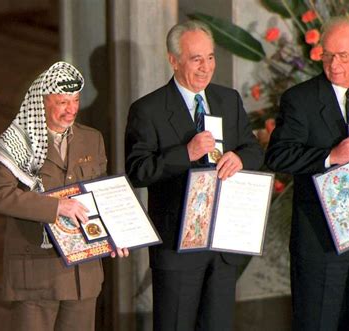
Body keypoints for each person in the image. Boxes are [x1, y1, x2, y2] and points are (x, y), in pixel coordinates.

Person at [265, 17, 349, 331]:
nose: (334, 64)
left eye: (343, 55)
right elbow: (278, 155)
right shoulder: (299, 100)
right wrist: (330, 156)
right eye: (327, 55)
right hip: (319, 240)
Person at [125, 21, 263, 331]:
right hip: (177, 249)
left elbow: (254, 150)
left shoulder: (228, 100)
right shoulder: (148, 110)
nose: (205, 67)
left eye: (210, 57)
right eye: (195, 58)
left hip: (224, 245)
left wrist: (239, 158)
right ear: (173, 60)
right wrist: (184, 153)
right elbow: (138, 171)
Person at [0, 61, 129, 331]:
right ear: (42, 102)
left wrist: (116, 233)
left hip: (82, 276)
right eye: (63, 102)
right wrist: (55, 206)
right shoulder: (17, 143)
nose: (71, 110)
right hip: (37, 276)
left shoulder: (92, 139)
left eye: (75, 100)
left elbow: (101, 195)